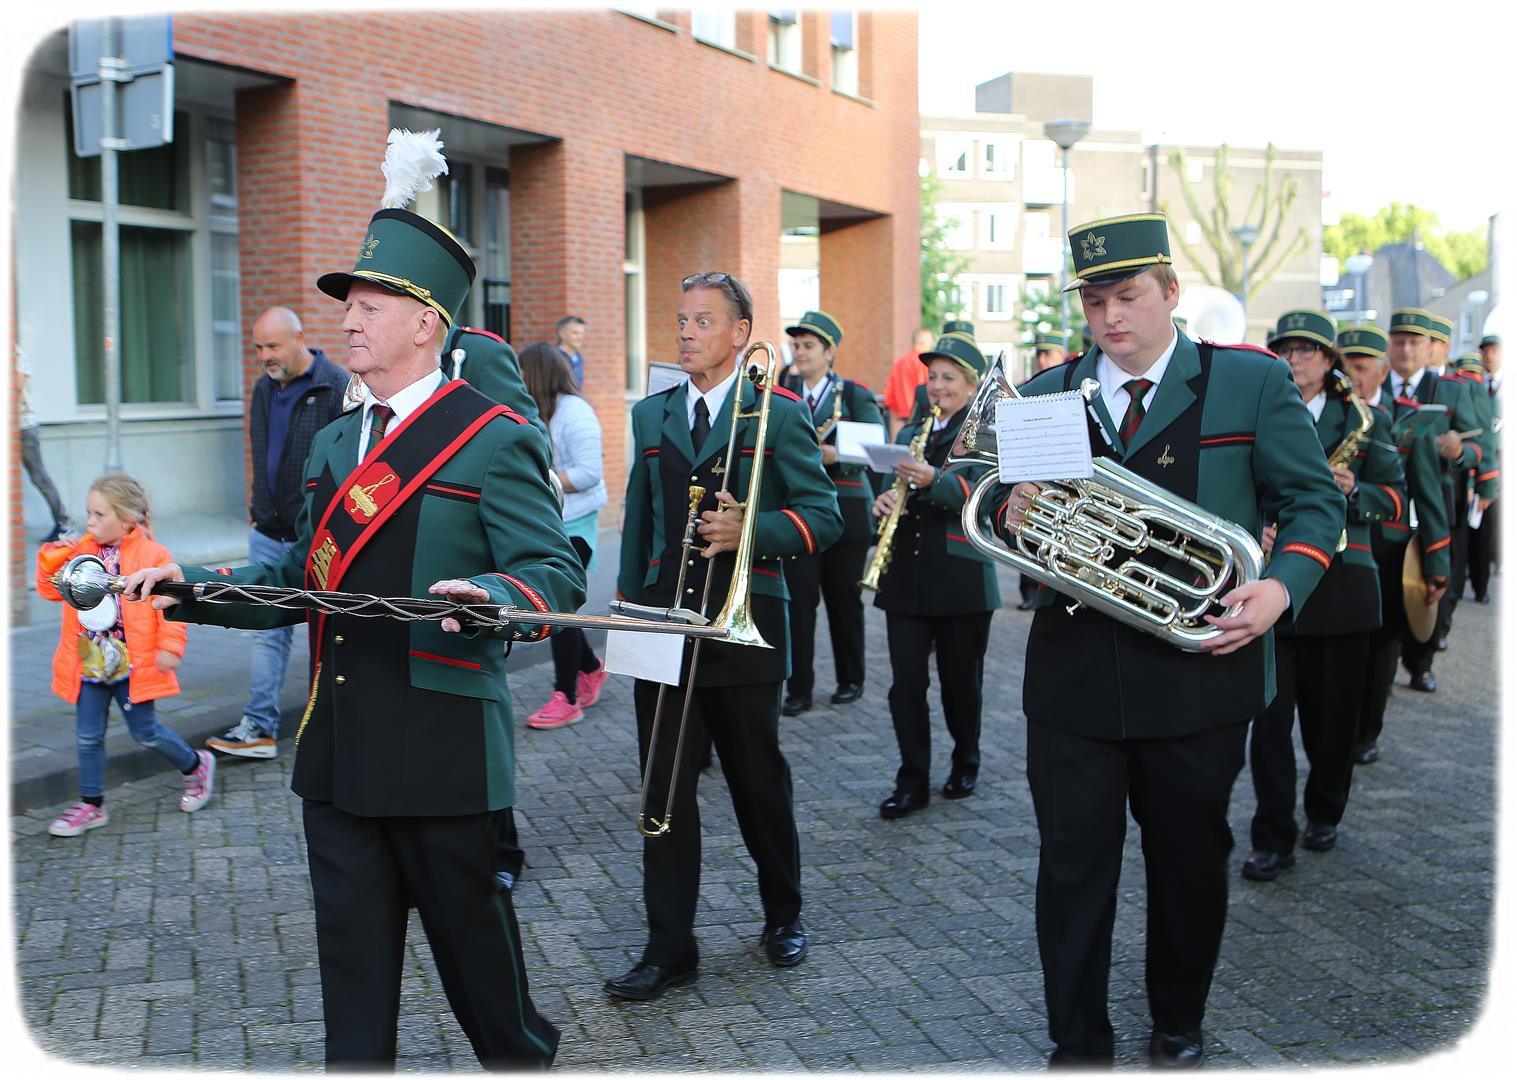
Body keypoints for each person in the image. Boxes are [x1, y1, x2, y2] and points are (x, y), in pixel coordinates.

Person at [120, 171, 584, 1069]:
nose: (348, 321)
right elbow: (302, 575)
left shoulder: (493, 435)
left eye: (370, 306)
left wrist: (494, 595)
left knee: (481, 974)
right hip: (338, 746)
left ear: (425, 324)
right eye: (348, 305)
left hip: (442, 746)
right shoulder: (336, 439)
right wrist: (190, 585)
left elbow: (554, 573)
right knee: (353, 979)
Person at [998, 213, 1343, 1068]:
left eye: (1128, 296)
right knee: (1071, 869)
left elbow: (1313, 503)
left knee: (1188, 862)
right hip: (1075, 678)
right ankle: (1077, 1043)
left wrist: (1280, 588)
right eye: (1094, 302)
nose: (1110, 317)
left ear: (1170, 292)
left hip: (1199, 669)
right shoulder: (1045, 393)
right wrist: (1010, 508)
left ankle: (1177, 1022)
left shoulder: (1247, 382)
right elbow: (1004, 514)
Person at [605, 270, 841, 1002]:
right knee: (663, 790)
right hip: (664, 621)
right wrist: (628, 608)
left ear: (740, 334)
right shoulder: (651, 414)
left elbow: (824, 515)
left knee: (756, 782)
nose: (685, 332)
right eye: (681, 320)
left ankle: (783, 914)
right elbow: (641, 520)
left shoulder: (779, 411)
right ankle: (669, 946)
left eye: (702, 321)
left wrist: (752, 530)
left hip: (745, 627)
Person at [1241, 311, 1405, 881]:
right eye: (1285, 349)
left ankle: (1325, 812)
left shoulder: (1366, 419)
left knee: (1333, 721)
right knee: (1268, 724)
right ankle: (1272, 836)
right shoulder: (1256, 412)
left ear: (1329, 359)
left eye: (1307, 350)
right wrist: (1254, 526)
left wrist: (1357, 490)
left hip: (1342, 589)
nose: (1294, 360)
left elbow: (1396, 499)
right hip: (1272, 584)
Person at [36, 475, 215, 837]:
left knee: (145, 733)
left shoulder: (154, 555)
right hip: (89, 661)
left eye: (99, 515)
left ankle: (195, 764)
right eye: (88, 513)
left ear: (126, 519)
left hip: (133, 664)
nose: (90, 522)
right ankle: (91, 804)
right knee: (88, 737)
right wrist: (56, 554)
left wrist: (170, 648)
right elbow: (50, 590)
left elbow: (170, 605)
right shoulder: (80, 551)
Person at [207, 308, 348, 760]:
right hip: (267, 532)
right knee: (267, 630)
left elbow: (351, 465)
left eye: (273, 346)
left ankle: (333, 726)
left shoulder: (336, 386)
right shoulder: (263, 389)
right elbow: (263, 453)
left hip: (318, 538)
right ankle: (260, 728)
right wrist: (258, 508)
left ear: (299, 338)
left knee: (328, 629)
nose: (265, 355)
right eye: (259, 347)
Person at [871, 333, 999, 818]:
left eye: (948, 378)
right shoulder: (911, 431)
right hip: (905, 578)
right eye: (932, 377)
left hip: (960, 578)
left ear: (970, 385)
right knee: (905, 686)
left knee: (960, 684)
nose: (938, 386)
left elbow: (988, 499)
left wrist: (935, 480)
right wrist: (883, 501)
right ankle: (912, 781)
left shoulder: (984, 435)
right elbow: (890, 486)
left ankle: (966, 760)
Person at [1345, 324, 1450, 765]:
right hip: (1337, 547)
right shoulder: (1326, 413)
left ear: (1381, 371)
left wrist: (1437, 561)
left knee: (1381, 645)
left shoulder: (1405, 417)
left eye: (1360, 367)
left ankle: (1366, 731)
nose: (1350, 376)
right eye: (1345, 366)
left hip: (1388, 547)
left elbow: (1427, 493)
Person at [778, 310, 883, 716]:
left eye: (808, 346)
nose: (800, 352)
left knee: (844, 602)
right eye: (796, 345)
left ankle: (850, 679)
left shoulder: (853, 394)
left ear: (830, 351)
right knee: (798, 604)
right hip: (797, 512)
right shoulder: (782, 390)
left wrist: (834, 453)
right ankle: (798, 688)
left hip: (846, 512)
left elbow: (876, 447)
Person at [1385, 309, 1479, 692]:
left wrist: (1458, 451)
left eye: (1415, 343)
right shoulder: (1374, 384)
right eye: (1399, 342)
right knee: (1390, 586)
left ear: (1429, 348)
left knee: (1429, 586)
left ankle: (1420, 662)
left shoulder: (1452, 391)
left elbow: (1479, 448)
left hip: (1436, 501)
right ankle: (1384, 662)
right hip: (1388, 505)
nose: (1406, 350)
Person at [518, 341, 610, 729]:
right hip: (550, 523)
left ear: (538, 374)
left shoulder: (575, 412)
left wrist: (540, 480)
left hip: (576, 524)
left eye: (522, 371)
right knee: (558, 608)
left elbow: (589, 472)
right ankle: (590, 667)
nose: (518, 378)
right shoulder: (534, 411)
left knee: (556, 606)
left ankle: (566, 697)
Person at [1017, 332, 1071, 610]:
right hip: (1036, 471)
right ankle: (1029, 591)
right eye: (1039, 354)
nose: (1042, 359)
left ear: (1060, 355)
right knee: (1029, 527)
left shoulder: (1072, 385)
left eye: (1047, 354)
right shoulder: (1029, 388)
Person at [17, 350, 75, 541]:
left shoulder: (14, 354)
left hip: (23, 427)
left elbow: (17, 386)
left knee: (39, 476)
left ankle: (64, 524)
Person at [1468, 334, 1503, 602]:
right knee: (1480, 523)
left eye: (1494, 350)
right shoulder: (1474, 385)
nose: (1489, 355)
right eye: (1485, 351)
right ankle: (1479, 583)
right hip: (1482, 460)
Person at [883, 327, 934, 438]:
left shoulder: (900, 363)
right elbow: (928, 389)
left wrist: (894, 411)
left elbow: (890, 394)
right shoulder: (925, 364)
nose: (931, 344)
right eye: (930, 341)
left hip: (903, 413)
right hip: (921, 412)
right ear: (922, 342)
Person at [556, 314, 587, 386]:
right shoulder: (554, 358)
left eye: (582, 333)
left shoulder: (579, 358)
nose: (580, 337)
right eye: (575, 333)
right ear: (561, 333)